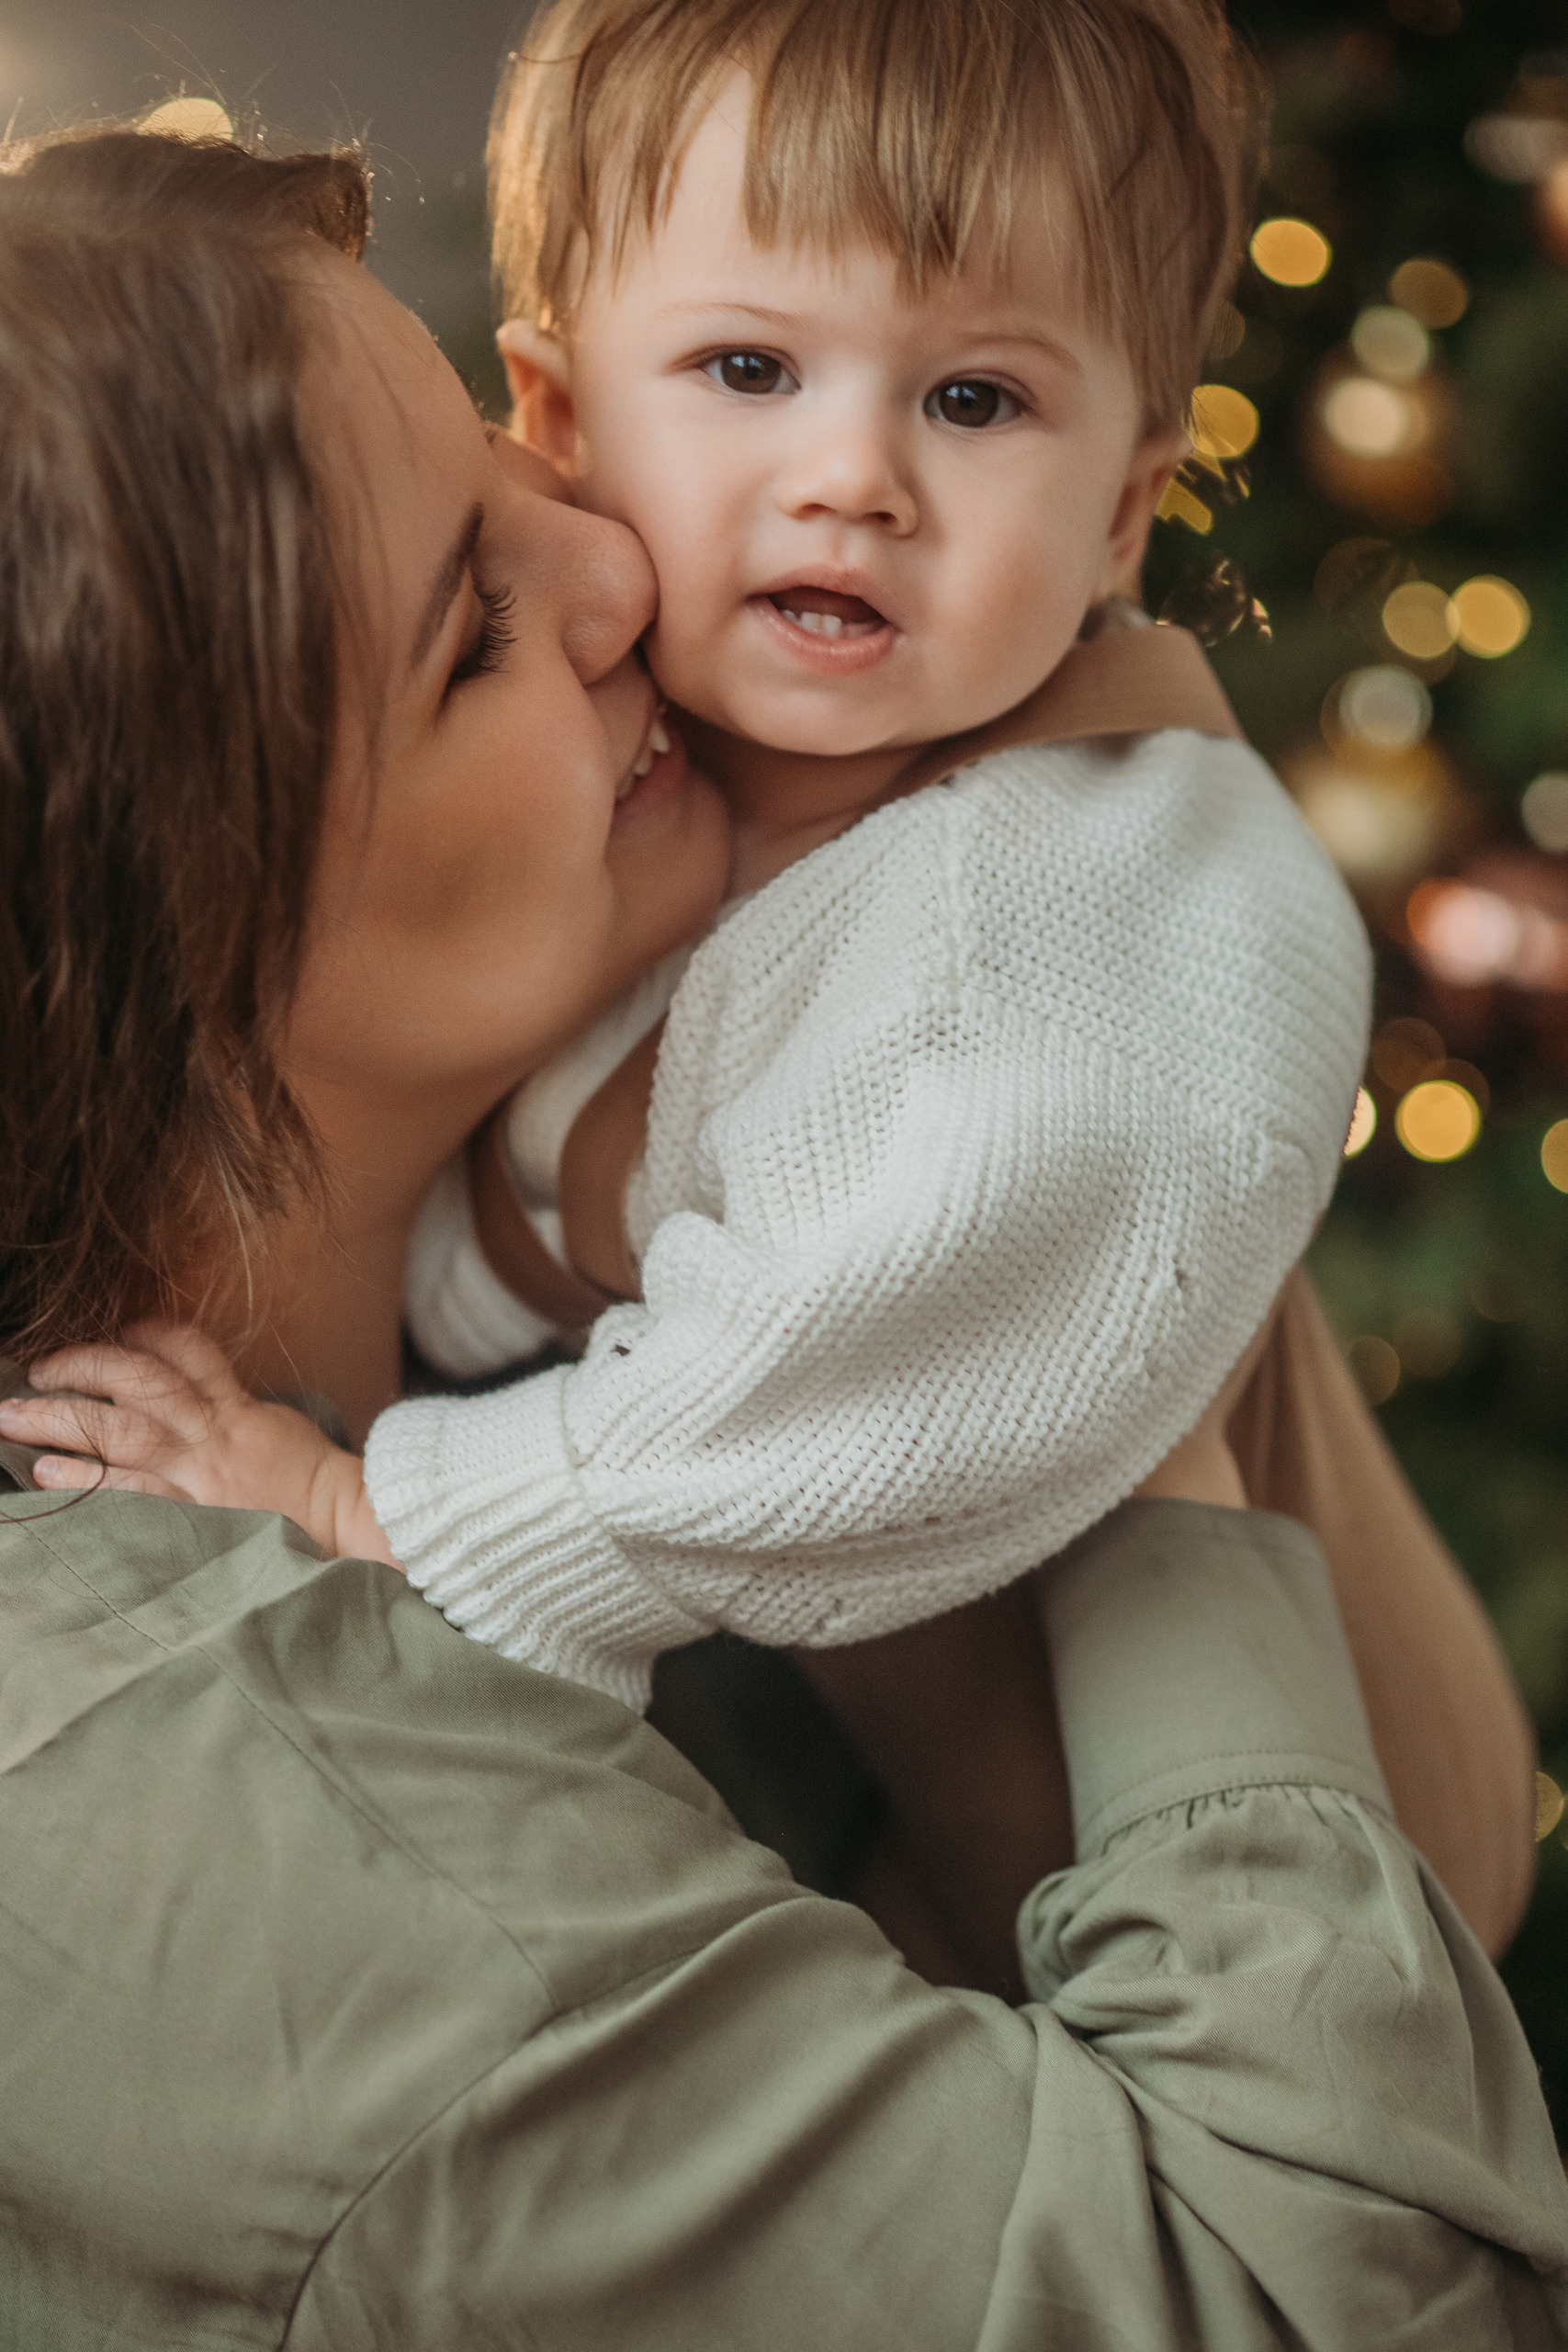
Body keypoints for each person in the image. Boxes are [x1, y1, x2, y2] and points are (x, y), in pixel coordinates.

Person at [2, 120, 1565, 2346]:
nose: (615, 561)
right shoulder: (261, 1828)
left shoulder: (681, 1167)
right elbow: (1371, 2301)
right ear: (165, 944)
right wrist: (1077, 1344)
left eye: (508, 463)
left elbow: (1415, 1846)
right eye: (471, 632)